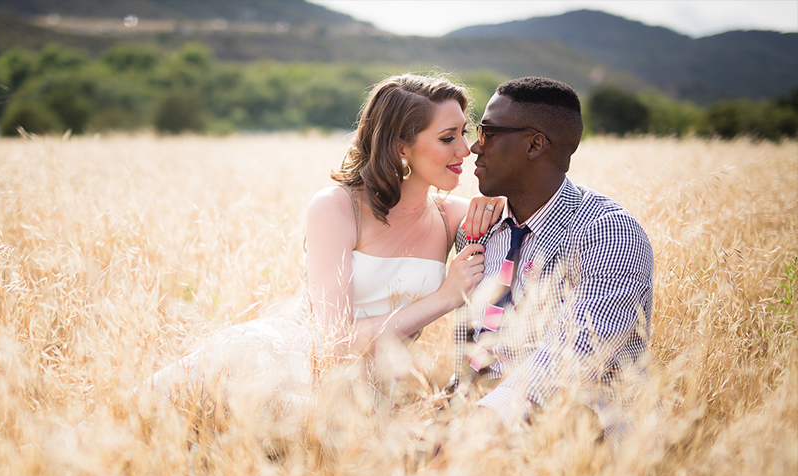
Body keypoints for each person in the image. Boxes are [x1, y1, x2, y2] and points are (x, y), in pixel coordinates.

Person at [141, 73, 506, 421]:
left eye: (464, 132)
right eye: (447, 138)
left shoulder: (453, 217)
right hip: (288, 366)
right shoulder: (337, 207)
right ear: (401, 147)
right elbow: (336, 345)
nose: (466, 149)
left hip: (373, 392)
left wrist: (496, 199)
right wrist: (444, 297)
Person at [436, 76, 654, 447]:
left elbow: (578, 351)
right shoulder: (484, 229)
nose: (474, 147)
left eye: (487, 133)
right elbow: (473, 356)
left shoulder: (609, 232)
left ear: (535, 144)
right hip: (475, 430)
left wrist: (479, 425)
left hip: (578, 442)